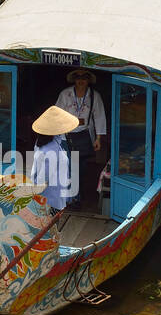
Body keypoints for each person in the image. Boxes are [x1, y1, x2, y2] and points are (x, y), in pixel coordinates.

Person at [55, 69, 107, 211]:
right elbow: (57, 114)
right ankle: (74, 199)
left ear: (88, 80)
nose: (81, 80)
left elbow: (99, 116)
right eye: (78, 77)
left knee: (81, 169)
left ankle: (77, 195)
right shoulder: (65, 94)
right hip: (67, 136)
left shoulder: (94, 96)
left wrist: (98, 138)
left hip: (85, 136)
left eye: (84, 77)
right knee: (70, 168)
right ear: (74, 79)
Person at [29, 106, 78, 211]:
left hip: (52, 197)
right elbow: (42, 180)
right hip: (49, 200)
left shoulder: (49, 142)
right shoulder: (51, 150)